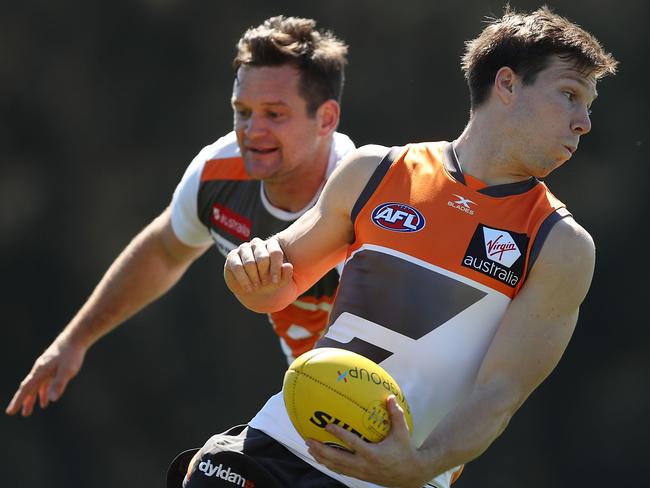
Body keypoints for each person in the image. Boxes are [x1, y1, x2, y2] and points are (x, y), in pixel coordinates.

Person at [168, 6, 618, 488]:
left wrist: (420, 466)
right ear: (506, 84)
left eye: (587, 105)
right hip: (278, 443)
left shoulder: (561, 244)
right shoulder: (374, 171)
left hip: (392, 480)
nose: (584, 122)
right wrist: (248, 269)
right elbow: (273, 287)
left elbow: (500, 392)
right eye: (570, 96)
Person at [5, 16, 354, 418]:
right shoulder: (217, 173)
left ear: (326, 119)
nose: (251, 131)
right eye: (242, 112)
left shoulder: (366, 197)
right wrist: (74, 341)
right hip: (316, 402)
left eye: (274, 114)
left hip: (388, 412)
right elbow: (166, 251)